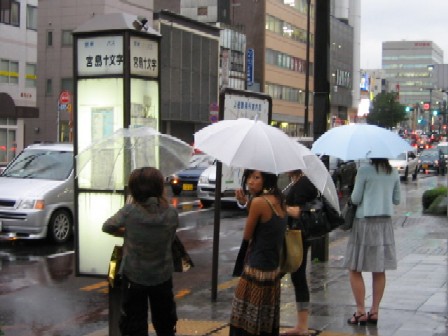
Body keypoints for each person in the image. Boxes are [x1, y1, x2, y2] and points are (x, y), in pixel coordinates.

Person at [102, 167, 178, 336]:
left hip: (134, 277)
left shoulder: (129, 211)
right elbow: (171, 237)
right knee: (165, 322)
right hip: (162, 275)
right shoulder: (171, 213)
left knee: (134, 324)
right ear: (159, 188)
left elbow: (107, 226)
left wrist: (125, 232)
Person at [230, 169, 287, 336]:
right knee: (265, 319)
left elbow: (247, 235)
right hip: (272, 269)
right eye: (249, 177)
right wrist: (247, 203)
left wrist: (249, 205)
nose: (250, 181)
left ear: (267, 180)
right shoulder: (280, 199)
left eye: (256, 177)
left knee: (245, 319)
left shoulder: (259, 202)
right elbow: (266, 222)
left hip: (256, 269)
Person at [344, 158, 400, 326]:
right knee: (379, 268)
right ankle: (374, 311)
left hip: (364, 222)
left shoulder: (364, 171)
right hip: (384, 224)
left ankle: (360, 311)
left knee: (354, 268)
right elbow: (396, 199)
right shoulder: (394, 172)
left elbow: (355, 198)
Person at [280, 169, 318, 336]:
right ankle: (301, 326)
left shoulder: (304, 183)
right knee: (297, 276)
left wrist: (281, 206)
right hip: (296, 236)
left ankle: (302, 326)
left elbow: (299, 211)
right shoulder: (296, 182)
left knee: (289, 275)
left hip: (297, 237)